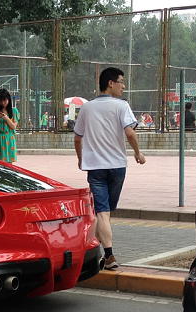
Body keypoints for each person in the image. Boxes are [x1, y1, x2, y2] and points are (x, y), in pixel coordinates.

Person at [73, 67, 146, 270]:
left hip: (95, 167)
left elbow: (78, 138)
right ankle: (109, 255)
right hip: (117, 167)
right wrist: (138, 153)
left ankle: (94, 251)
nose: (123, 86)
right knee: (104, 212)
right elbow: (130, 133)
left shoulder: (87, 108)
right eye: (121, 82)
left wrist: (81, 159)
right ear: (110, 83)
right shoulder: (122, 106)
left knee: (103, 213)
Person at [0, 88, 19, 163]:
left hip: (9, 138)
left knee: (9, 164)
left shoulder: (14, 111)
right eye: (1, 101)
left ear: (8, 99)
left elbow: (13, 126)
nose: (3, 103)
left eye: (5, 100)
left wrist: (6, 118)